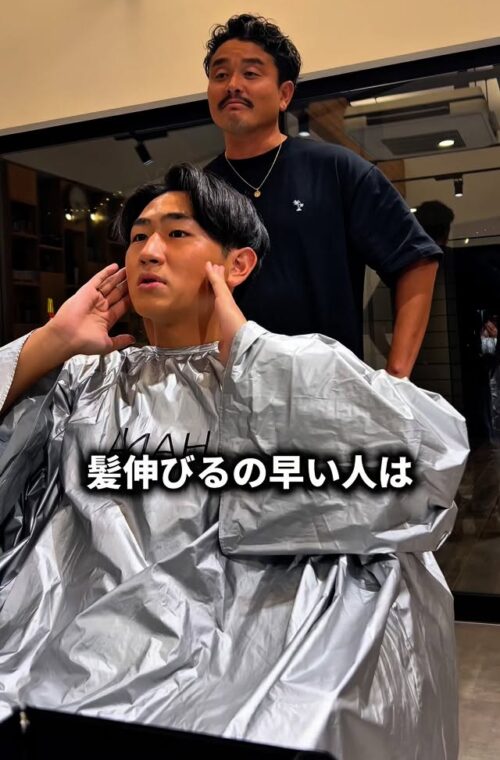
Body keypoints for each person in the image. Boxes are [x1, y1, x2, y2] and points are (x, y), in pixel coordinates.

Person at [0, 165, 468, 760]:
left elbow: (429, 461)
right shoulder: (83, 383)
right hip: (60, 631)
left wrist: (252, 356)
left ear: (237, 265)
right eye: (138, 237)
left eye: (176, 233)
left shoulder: (289, 368)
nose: (148, 251)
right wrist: (52, 342)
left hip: (240, 640)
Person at [203, 13, 442, 377]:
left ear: (284, 94)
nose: (233, 85)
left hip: (326, 390)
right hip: (224, 389)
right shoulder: (195, 191)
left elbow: (416, 259)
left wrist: (397, 376)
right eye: (220, 75)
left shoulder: (337, 169)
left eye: (250, 73)